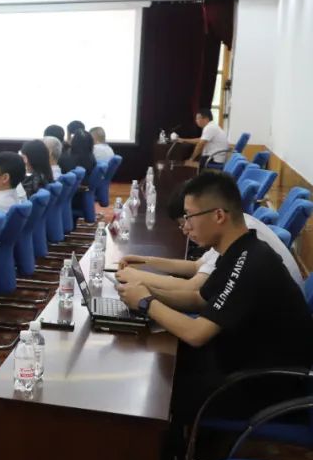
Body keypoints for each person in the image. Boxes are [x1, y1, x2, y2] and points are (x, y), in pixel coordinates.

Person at [116, 172, 313, 421]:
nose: (186, 226)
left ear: (218, 215)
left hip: (263, 386)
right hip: (238, 362)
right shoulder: (239, 250)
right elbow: (199, 299)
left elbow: (196, 334)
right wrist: (146, 290)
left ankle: (173, 444)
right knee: (159, 358)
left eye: (189, 216)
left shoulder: (251, 261)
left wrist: (146, 302)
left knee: (155, 391)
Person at [117, 179, 302, 291]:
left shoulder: (241, 239)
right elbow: (196, 266)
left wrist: (137, 278)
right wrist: (145, 261)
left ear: (216, 214)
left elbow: (193, 288)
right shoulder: (236, 224)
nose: (185, 230)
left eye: (187, 220)